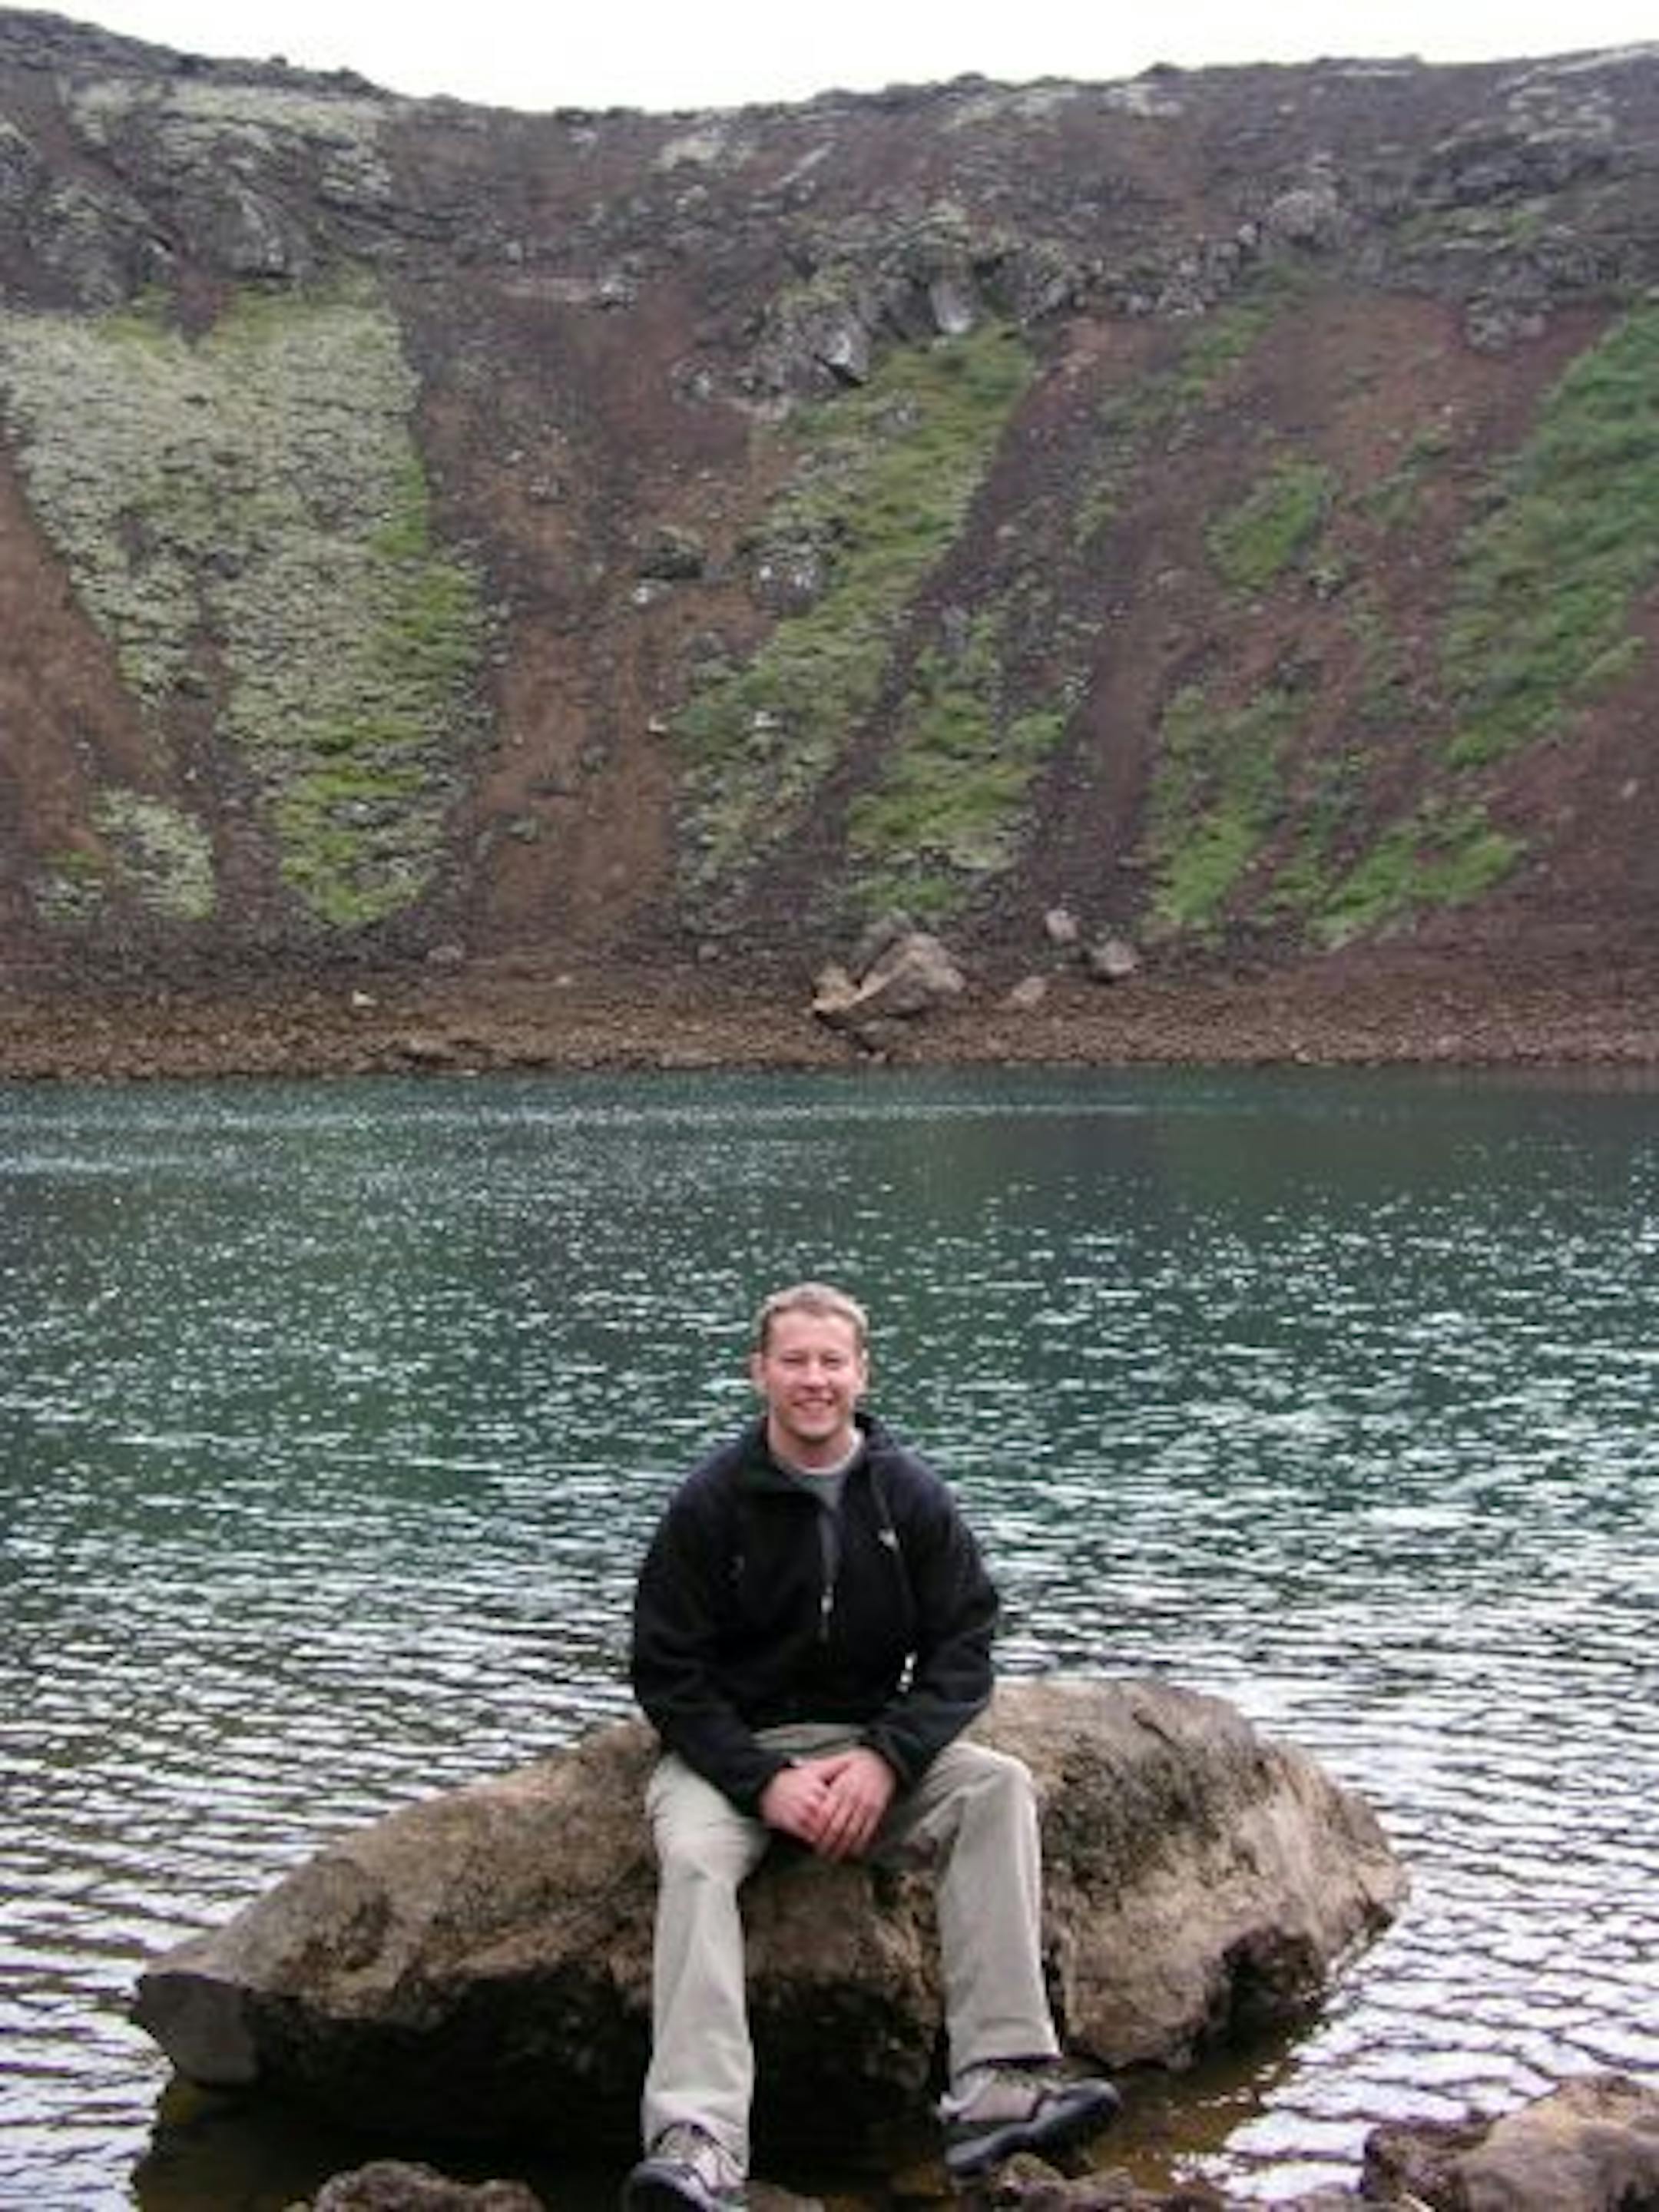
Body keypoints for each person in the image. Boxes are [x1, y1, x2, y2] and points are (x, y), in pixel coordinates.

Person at [624, 1281, 1119, 2212]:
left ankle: (998, 2085)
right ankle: (700, 2140)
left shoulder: (910, 1496)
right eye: (794, 1361)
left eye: (831, 1362)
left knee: (997, 1789)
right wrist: (762, 1781)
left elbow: (965, 1646)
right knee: (692, 1861)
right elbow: (666, 1672)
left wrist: (888, 1757)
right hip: (731, 1758)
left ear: (861, 1372)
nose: (814, 1380)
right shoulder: (711, 1502)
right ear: (759, 1372)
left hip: (864, 1743)